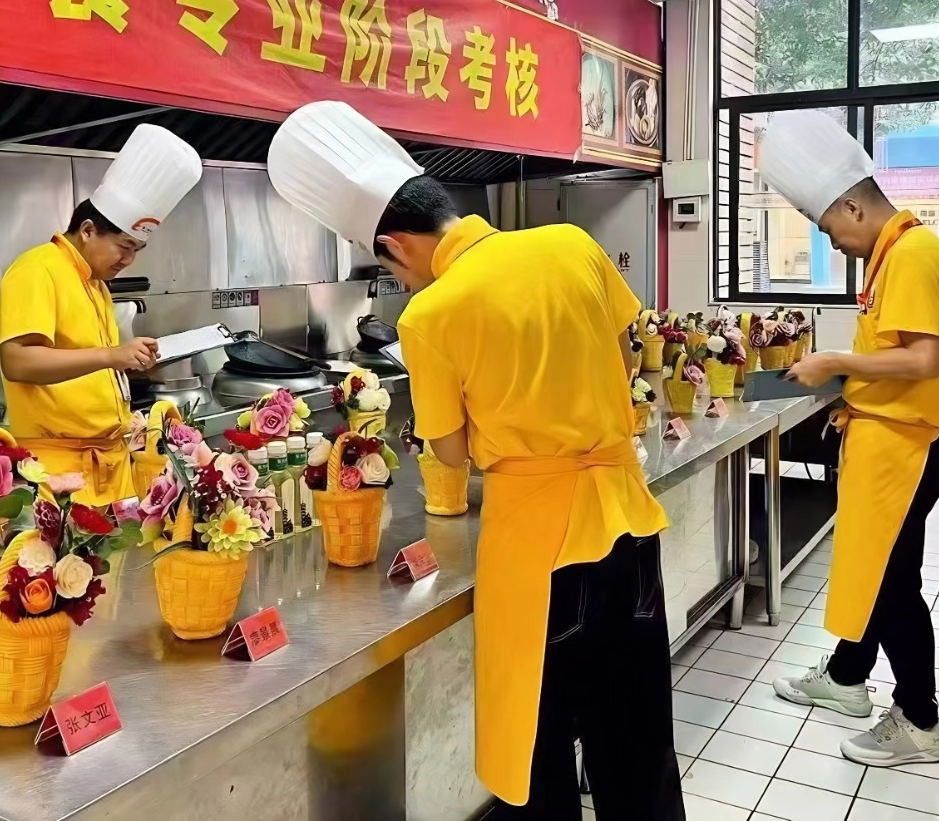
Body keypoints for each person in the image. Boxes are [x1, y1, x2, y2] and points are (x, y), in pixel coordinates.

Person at [268, 101, 683, 820]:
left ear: (395, 246)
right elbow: (624, 361)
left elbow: (451, 451)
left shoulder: (431, 315)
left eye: (392, 270)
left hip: (540, 550)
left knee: (537, 749)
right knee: (638, 746)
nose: (403, 285)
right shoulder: (572, 243)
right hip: (629, 523)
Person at [760, 110, 939, 766]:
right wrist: (851, 396)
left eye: (830, 229)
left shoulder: (911, 255)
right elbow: (894, 355)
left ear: (853, 207)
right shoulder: (896, 254)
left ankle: (919, 722)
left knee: (893, 586)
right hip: (888, 441)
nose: (834, 245)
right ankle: (848, 676)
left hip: (905, 452)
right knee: (877, 572)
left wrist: (833, 363)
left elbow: (923, 359)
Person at [0, 124, 201, 506]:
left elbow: (86, 363)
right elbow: (18, 362)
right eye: (124, 246)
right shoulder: (36, 269)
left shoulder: (95, 283)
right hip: (59, 471)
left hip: (111, 464)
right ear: (88, 230)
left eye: (136, 250)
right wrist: (111, 356)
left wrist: (128, 363)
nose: (129, 260)